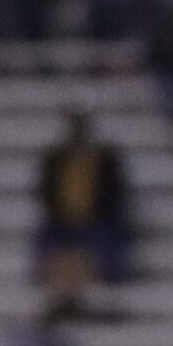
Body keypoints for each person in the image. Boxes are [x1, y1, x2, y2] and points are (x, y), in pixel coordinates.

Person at [34, 109, 135, 293]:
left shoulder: (106, 160)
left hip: (97, 227)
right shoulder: (55, 159)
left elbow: (114, 198)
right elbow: (46, 194)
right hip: (61, 227)